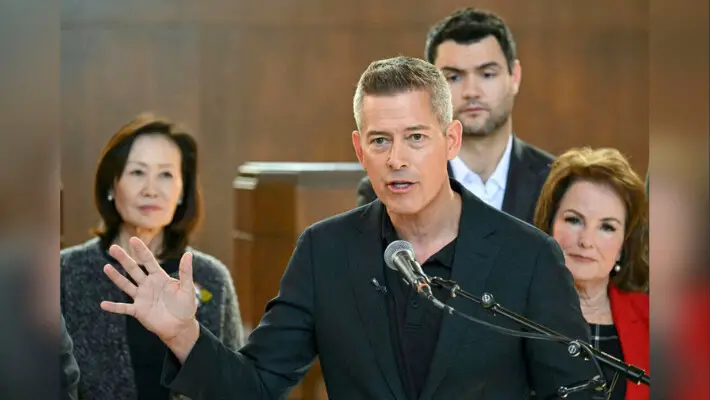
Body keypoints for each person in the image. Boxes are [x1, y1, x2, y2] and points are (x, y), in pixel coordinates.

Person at [99, 57, 596, 399]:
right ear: (360, 151)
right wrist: (185, 335)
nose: (396, 158)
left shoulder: (528, 257)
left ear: (450, 140)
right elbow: (256, 386)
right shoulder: (326, 252)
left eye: (415, 138)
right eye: (380, 141)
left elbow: (573, 393)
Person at [60, 113, 244, 399]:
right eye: (137, 172)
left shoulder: (211, 278)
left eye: (166, 175)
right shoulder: (64, 272)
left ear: (182, 191)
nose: (151, 190)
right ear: (111, 185)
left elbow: (235, 387)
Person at [356, 8, 554, 224]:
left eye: (487, 74)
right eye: (453, 77)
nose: (471, 91)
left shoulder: (554, 182)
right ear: (433, 86)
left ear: (514, 76)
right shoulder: (390, 187)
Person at [533, 148, 650, 400]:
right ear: (549, 226)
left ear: (623, 246)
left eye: (607, 227)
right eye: (574, 220)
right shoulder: (509, 310)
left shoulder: (654, 320)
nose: (586, 241)